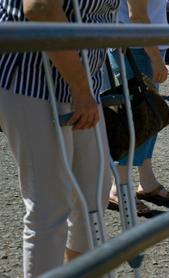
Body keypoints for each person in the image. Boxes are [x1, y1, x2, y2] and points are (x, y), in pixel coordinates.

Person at [0, 0, 127, 275]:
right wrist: (80, 88)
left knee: (93, 193)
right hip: (33, 80)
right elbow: (39, 7)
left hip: (84, 84)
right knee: (49, 206)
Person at [106, 0, 169, 217]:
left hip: (137, 46)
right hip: (136, 48)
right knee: (136, 119)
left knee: (147, 117)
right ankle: (118, 188)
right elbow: (137, 15)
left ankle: (146, 181)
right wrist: (157, 59)